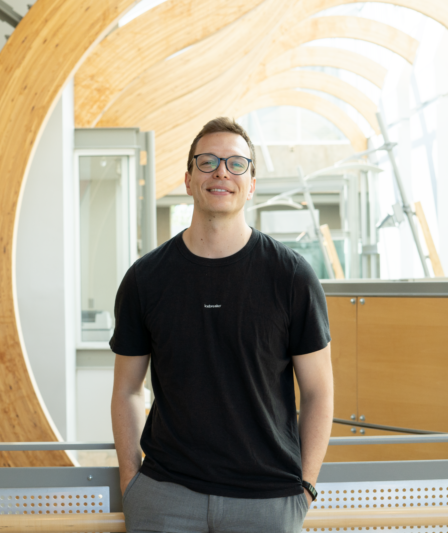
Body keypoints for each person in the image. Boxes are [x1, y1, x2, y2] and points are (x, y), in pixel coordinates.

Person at [110, 117, 334, 533]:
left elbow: (320, 392)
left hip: (267, 500)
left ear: (251, 184)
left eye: (236, 164)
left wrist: (305, 487)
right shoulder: (146, 278)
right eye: (208, 161)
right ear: (188, 179)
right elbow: (126, 389)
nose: (221, 172)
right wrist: (131, 480)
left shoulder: (292, 277)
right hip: (165, 495)